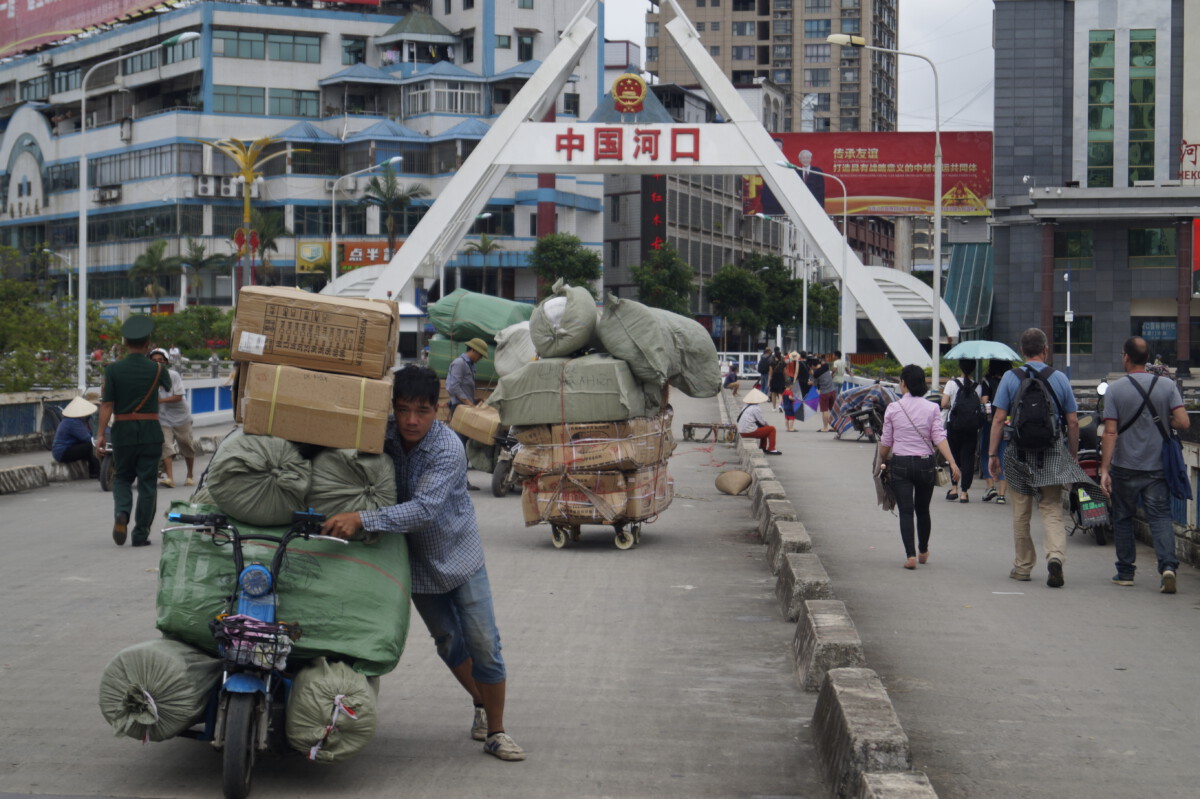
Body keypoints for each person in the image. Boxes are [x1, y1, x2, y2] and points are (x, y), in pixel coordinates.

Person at [318, 365, 525, 761]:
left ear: (439, 410)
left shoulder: (448, 449)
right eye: (403, 409)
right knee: (448, 642)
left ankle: (497, 732)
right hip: (413, 564)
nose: (412, 420)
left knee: (484, 643)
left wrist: (361, 518)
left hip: (460, 558)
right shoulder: (384, 436)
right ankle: (482, 704)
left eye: (423, 411)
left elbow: (424, 510)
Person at [987, 328, 1087, 588]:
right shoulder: (1059, 378)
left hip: (1018, 452)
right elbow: (1073, 422)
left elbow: (998, 419)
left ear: (1022, 351)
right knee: (1051, 508)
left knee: (1021, 511)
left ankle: (1022, 567)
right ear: (1045, 350)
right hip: (1051, 452)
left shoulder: (1010, 377)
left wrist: (991, 455)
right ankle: (1055, 556)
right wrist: (1072, 455)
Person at [1100, 336, 1189, 593]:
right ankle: (1168, 568)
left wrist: (1105, 469)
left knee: (1124, 517)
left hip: (1125, 466)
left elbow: (1110, 432)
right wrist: (1162, 422)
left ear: (1126, 357)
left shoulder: (1115, 390)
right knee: (1160, 516)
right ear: (1147, 358)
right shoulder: (1166, 385)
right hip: (1157, 466)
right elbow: (1183, 422)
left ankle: (1126, 572)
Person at [96, 315, 172, 548]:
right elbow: (169, 391)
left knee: (122, 478)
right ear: (148, 343)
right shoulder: (158, 369)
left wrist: (100, 434)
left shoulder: (113, 370)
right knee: (148, 484)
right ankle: (140, 535)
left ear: (125, 342)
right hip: (150, 431)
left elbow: (107, 405)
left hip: (123, 432)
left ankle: (122, 513)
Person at [877, 365, 961, 570]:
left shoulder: (893, 408)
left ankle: (911, 556)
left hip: (901, 463)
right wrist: (952, 461)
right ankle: (923, 550)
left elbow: (886, 442)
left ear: (903, 383)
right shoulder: (932, 408)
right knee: (923, 510)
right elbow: (939, 437)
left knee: (906, 511)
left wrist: (882, 458)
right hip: (925, 463)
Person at [446, 337, 490, 491]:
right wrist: (468, 403)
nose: (479, 358)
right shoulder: (459, 364)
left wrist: (474, 399)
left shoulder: (470, 366)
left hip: (465, 407)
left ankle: (461, 481)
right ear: (473, 351)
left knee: (464, 446)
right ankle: (458, 482)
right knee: (459, 446)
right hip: (460, 409)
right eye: (479, 355)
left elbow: (464, 387)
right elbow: (453, 387)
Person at [150, 348, 196, 488]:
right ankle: (170, 478)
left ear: (166, 362)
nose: (158, 363)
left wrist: (159, 401)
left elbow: (178, 396)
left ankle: (190, 475)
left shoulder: (173, 375)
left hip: (181, 417)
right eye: (154, 361)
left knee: (186, 445)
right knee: (166, 445)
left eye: (160, 360)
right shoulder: (148, 378)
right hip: (163, 418)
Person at [940, 358, 984, 503]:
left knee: (954, 458)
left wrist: (953, 406)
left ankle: (954, 489)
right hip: (971, 428)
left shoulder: (951, 384)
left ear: (960, 367)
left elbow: (944, 403)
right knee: (968, 458)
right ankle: (964, 492)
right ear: (973, 369)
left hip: (954, 426)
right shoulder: (978, 386)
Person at [979, 359, 1010, 505]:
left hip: (990, 423)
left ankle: (991, 486)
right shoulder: (1010, 380)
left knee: (986, 453)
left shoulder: (987, 381)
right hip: (1007, 422)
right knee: (1004, 455)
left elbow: (984, 401)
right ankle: (1002, 495)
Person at [52, 395, 101, 478]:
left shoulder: (78, 421)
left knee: (91, 447)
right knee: (91, 446)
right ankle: (95, 472)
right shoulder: (72, 422)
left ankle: (94, 471)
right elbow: (87, 438)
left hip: (69, 448)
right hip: (63, 452)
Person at [736, 388, 782, 455]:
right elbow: (762, 421)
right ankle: (772, 449)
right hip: (748, 431)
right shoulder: (755, 408)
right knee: (771, 429)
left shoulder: (745, 406)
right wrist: (768, 426)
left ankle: (763, 447)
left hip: (742, 430)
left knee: (764, 429)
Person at [813, 355, 836, 432]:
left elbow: (815, 384)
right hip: (832, 391)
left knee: (825, 410)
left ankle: (825, 427)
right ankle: (835, 426)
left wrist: (811, 382)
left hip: (824, 393)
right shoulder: (826, 366)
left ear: (813, 365)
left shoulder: (816, 373)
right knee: (833, 410)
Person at [768, 347, 787, 411]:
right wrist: (785, 379)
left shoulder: (771, 361)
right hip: (781, 377)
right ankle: (781, 405)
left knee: (773, 393)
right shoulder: (782, 361)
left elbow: (770, 372)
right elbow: (785, 372)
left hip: (774, 378)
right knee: (780, 393)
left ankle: (774, 407)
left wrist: (769, 381)